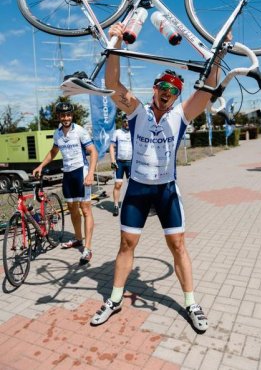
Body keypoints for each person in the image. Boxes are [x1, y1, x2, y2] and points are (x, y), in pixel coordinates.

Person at [90, 22, 230, 333]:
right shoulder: (136, 111)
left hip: (166, 190)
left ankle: (191, 302)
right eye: (163, 89)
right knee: (127, 243)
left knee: (178, 244)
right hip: (138, 189)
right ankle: (114, 299)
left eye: (174, 92)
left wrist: (219, 53)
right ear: (154, 89)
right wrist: (116, 40)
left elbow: (206, 92)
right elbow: (111, 81)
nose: (167, 95)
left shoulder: (180, 114)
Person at [33, 102, 98, 265]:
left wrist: (90, 174)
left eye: (68, 114)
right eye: (63, 115)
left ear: (72, 115)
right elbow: (54, 152)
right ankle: (78, 239)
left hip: (81, 172)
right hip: (68, 174)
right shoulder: (58, 133)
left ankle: (88, 249)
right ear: (59, 117)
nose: (66, 118)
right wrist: (41, 166)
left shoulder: (80, 131)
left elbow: (93, 151)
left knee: (85, 209)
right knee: (72, 209)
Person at [109, 114, 132, 216]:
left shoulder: (134, 131)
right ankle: (116, 206)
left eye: (128, 121)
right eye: (125, 121)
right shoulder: (117, 132)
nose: (126, 123)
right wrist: (113, 160)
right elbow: (111, 146)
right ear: (122, 122)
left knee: (132, 185)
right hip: (119, 163)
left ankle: (132, 205)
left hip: (131, 162)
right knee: (118, 184)